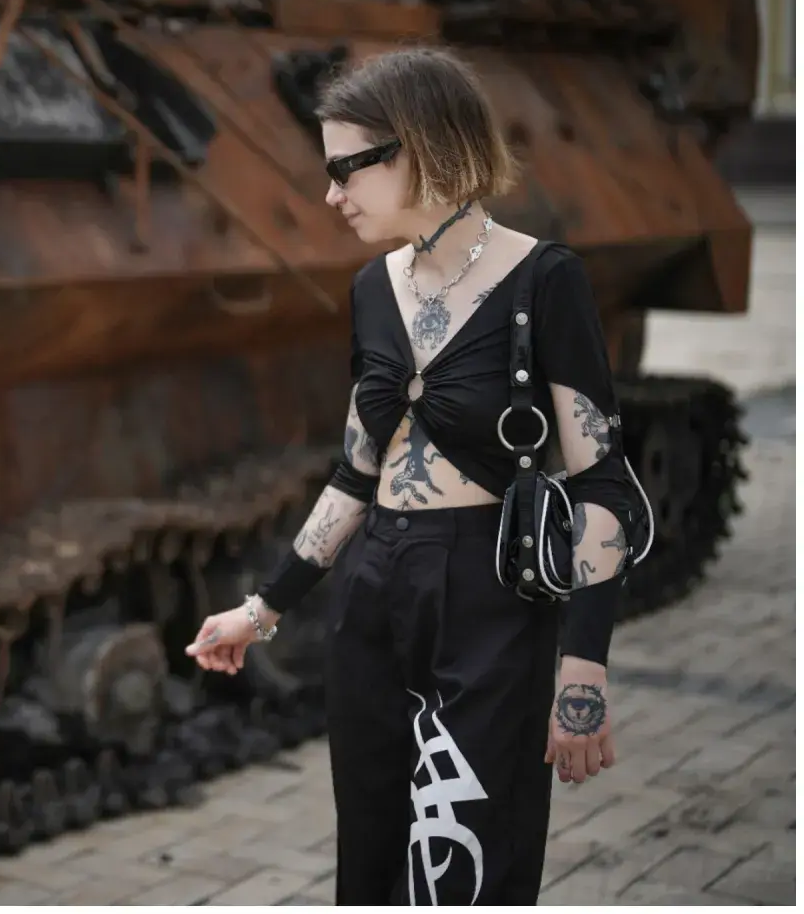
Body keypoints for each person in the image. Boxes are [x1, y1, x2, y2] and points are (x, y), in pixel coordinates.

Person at [186, 47, 646, 905]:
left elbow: (603, 485)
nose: (331, 195)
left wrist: (583, 671)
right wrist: (263, 608)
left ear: (421, 149)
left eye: (346, 169)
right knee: (370, 851)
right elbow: (356, 474)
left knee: (471, 849)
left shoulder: (545, 281)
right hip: (373, 592)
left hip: (488, 595)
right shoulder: (371, 289)